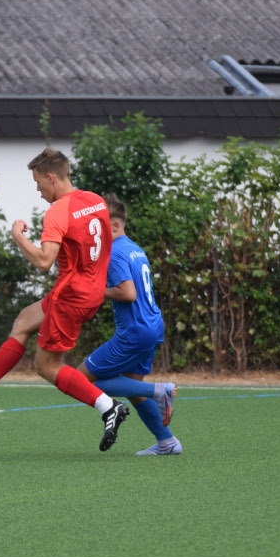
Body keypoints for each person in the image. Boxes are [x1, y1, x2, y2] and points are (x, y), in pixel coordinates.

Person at [0, 148, 130, 452]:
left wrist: (18, 236)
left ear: (51, 177)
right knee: (23, 321)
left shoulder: (58, 211)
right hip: (91, 292)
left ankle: (108, 407)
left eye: (38, 182)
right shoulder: (96, 200)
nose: (37, 189)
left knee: (47, 366)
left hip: (70, 297)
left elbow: (45, 261)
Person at [76, 194, 181, 456]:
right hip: (152, 326)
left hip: (134, 332)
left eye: (98, 226)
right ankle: (167, 442)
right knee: (133, 390)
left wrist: (94, 291)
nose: (94, 233)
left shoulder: (114, 253)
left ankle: (160, 391)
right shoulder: (135, 249)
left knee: (79, 380)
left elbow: (128, 293)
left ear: (114, 225)